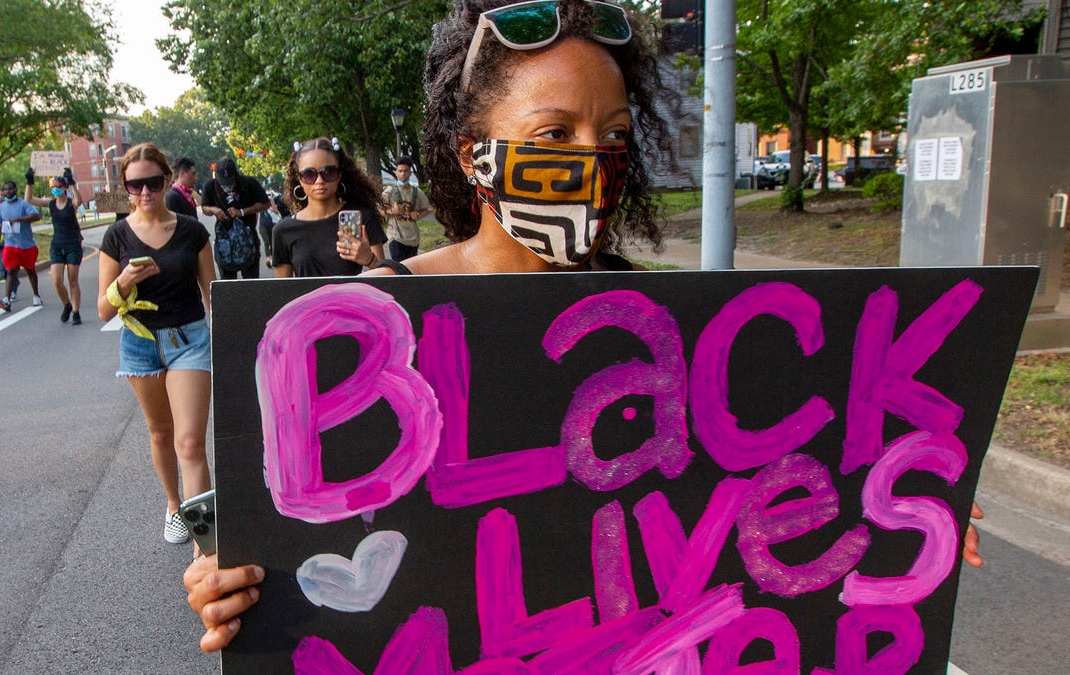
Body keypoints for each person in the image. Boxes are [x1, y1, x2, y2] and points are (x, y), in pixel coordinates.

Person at [183, 0, 986, 652]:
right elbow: (291, 529)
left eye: (614, 138)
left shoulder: (676, 335)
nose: (592, 160)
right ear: (473, 156)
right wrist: (232, 581)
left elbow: (775, 492)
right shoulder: (372, 326)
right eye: (553, 135)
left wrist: (912, 496)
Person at [96, 142, 216, 551]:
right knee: (162, 434)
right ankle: (172, 504)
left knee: (190, 442)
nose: (144, 193)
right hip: (140, 345)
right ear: (125, 187)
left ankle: (206, 542)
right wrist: (125, 281)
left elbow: (211, 295)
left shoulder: (192, 231)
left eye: (152, 182)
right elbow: (102, 310)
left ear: (167, 180)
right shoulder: (116, 236)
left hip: (190, 341)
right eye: (134, 185)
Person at [269, 137, 388, 277]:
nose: (319, 181)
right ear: (299, 179)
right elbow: (283, 291)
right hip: (308, 300)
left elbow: (384, 280)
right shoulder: (283, 231)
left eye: (328, 172)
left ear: (339, 175)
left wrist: (369, 259)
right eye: (309, 174)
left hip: (351, 298)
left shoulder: (361, 217)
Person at [26, 168, 85, 324]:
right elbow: (29, 199)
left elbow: (78, 201)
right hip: (57, 245)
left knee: (73, 280)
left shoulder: (70, 203)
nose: (55, 189)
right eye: (54, 186)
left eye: (58, 186)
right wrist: (29, 182)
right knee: (57, 281)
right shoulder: (51, 204)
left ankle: (76, 312)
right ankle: (66, 304)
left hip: (72, 244)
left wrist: (72, 183)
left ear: (64, 188)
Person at [199, 157, 269, 279]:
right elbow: (205, 208)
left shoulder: (249, 183)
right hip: (224, 242)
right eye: (223, 182)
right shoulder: (210, 186)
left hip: (248, 241)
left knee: (250, 284)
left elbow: (265, 203)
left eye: (230, 181)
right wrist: (214, 210)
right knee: (228, 285)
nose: (227, 185)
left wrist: (242, 212)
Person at [0, 175, 43, 312]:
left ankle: (36, 295)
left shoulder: (23, 204)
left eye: (10, 189)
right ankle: (7, 299)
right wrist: (3, 225)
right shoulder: (1, 207)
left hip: (26, 245)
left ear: (15, 189)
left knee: (30, 271)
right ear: (3, 192)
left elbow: (35, 216)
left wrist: (19, 219)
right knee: (11, 271)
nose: (8, 191)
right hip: (10, 244)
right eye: (5, 190)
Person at [380, 155, 432, 261]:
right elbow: (379, 210)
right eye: (400, 171)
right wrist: (391, 211)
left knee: (409, 270)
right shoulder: (389, 192)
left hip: (413, 238)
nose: (403, 174)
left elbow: (428, 209)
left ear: (410, 173)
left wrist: (417, 215)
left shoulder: (417, 192)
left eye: (406, 171)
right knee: (399, 269)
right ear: (396, 172)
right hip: (396, 237)